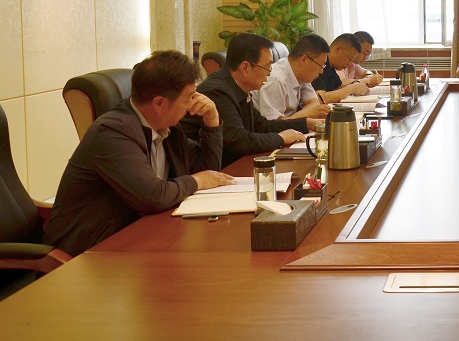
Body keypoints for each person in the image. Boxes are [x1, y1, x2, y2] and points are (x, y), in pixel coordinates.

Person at [44, 51, 233, 256]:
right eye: (189, 98)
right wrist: (198, 180)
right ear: (159, 103)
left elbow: (209, 172)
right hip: (87, 254)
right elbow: (154, 196)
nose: (191, 106)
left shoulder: (166, 127)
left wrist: (211, 120)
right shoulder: (112, 132)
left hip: (139, 236)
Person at [182, 33, 309, 167]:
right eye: (267, 67)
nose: (269, 72)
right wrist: (280, 138)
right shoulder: (216, 91)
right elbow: (237, 140)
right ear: (245, 68)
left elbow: (262, 125)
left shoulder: (237, 87)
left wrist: (305, 124)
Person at [252, 34, 332, 122]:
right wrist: (307, 114)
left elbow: (314, 103)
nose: (321, 71)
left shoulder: (302, 75)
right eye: (320, 66)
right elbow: (272, 125)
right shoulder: (276, 80)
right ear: (304, 60)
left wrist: (306, 114)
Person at [312, 33, 370, 103]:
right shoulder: (318, 63)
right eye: (350, 58)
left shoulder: (331, 66)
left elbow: (338, 87)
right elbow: (321, 98)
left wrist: (357, 85)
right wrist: (352, 88)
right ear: (338, 49)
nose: (349, 64)